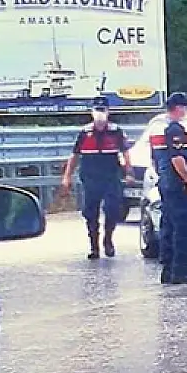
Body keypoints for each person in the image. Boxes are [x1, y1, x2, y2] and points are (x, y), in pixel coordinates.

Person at [61, 97, 134, 259]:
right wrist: (67, 177)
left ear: (108, 112)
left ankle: (108, 239)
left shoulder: (116, 131)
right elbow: (74, 156)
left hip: (110, 176)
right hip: (90, 177)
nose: (100, 114)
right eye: (97, 110)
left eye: (103, 110)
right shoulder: (85, 132)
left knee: (113, 209)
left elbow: (125, 153)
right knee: (90, 212)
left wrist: (129, 172)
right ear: (92, 112)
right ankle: (94, 246)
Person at [159, 91, 187, 285]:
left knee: (169, 227)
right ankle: (180, 272)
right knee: (185, 228)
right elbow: (177, 157)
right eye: (185, 107)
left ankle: (168, 271)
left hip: (167, 184)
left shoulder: (160, 127)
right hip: (177, 186)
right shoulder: (174, 129)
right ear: (179, 108)